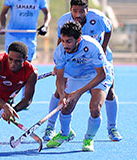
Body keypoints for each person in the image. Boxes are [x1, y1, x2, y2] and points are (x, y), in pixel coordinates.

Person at [43, 0, 122, 142]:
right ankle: (51, 127)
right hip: (74, 59)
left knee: (108, 92)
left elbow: (109, 30)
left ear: (87, 9)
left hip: (97, 57)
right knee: (60, 92)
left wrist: (103, 48)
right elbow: (62, 41)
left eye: (81, 11)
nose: (77, 14)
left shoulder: (98, 18)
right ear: (70, 9)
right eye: (74, 11)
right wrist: (59, 62)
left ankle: (112, 127)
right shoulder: (64, 21)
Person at [46, 21, 113, 152]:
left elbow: (101, 75)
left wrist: (79, 92)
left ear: (79, 39)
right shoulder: (60, 51)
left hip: (96, 75)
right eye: (63, 41)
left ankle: (89, 138)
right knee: (65, 108)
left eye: (69, 41)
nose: (65, 45)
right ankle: (65, 133)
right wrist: (61, 96)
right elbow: (60, 78)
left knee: (95, 108)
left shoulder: (92, 46)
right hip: (76, 76)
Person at [0, 0, 51, 102]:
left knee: (27, 66)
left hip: (29, 36)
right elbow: (3, 12)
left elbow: (47, 13)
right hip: (13, 35)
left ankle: (25, 98)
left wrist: (45, 25)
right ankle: (8, 96)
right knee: (10, 65)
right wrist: (2, 26)